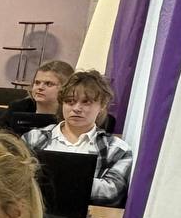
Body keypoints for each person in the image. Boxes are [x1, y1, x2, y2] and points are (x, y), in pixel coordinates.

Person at [23, 69, 133, 207]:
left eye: (86, 102)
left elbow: (112, 192)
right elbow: (16, 179)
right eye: (70, 101)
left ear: (102, 105)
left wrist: (50, 180)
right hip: (36, 211)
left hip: (86, 217)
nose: (76, 108)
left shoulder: (117, 149)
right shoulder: (32, 138)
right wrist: (79, 182)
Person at [0, 60, 74, 125]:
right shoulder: (18, 107)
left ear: (65, 88)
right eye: (37, 83)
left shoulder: (72, 114)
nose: (40, 87)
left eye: (48, 84)